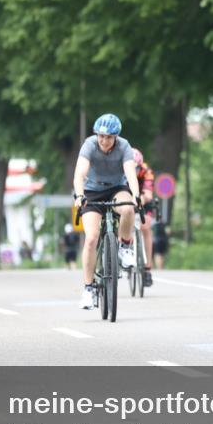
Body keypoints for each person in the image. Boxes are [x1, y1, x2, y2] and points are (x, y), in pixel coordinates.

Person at [72, 113, 141, 310]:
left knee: (128, 208)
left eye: (109, 137)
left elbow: (130, 173)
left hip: (116, 189)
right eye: (101, 136)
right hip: (92, 191)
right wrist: (79, 195)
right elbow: (80, 174)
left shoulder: (124, 146)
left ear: (116, 137)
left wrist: (136, 194)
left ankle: (125, 246)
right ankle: (88, 289)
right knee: (91, 238)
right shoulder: (89, 145)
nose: (104, 140)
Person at [132, 148, 155, 287]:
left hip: (143, 201)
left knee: (145, 227)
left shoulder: (147, 171)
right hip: (126, 199)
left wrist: (140, 199)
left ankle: (147, 268)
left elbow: (148, 194)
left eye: (136, 168)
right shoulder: (121, 170)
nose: (133, 171)